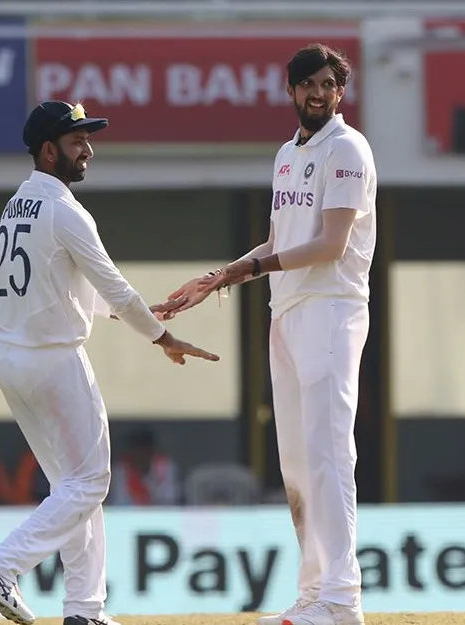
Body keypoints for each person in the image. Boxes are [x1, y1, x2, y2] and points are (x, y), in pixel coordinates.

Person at [0, 100, 219, 625]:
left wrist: (138, 313)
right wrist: (161, 335)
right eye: (77, 141)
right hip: (54, 362)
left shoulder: (19, 205)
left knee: (74, 488)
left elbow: (67, 288)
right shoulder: (64, 209)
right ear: (48, 149)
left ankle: (86, 610)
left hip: (12, 358)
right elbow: (114, 287)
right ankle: (1, 564)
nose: (89, 149)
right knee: (90, 483)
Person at [155, 43, 375, 625]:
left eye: (328, 84)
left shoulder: (348, 148)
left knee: (330, 454)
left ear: (340, 91)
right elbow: (279, 245)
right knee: (297, 464)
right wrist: (217, 276)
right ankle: (314, 591)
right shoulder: (286, 153)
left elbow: (330, 246)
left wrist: (245, 271)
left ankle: (342, 597)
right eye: (307, 84)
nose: (318, 93)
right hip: (287, 311)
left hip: (331, 311)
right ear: (291, 91)